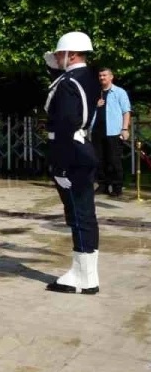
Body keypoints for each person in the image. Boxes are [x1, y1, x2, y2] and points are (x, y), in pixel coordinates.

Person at [43, 31, 102, 294]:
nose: (56, 58)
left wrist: (61, 165)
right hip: (82, 148)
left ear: (73, 54)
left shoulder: (68, 83)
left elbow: (66, 122)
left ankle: (84, 278)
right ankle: (86, 273)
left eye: (60, 54)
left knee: (78, 214)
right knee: (85, 213)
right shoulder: (88, 77)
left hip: (70, 151)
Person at [92, 67, 131, 198]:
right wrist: (95, 105)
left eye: (104, 75)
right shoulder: (96, 93)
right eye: (100, 76)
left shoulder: (119, 92)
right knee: (99, 160)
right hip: (97, 131)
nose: (102, 78)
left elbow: (126, 111)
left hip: (113, 131)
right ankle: (102, 184)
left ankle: (117, 187)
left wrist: (124, 129)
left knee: (114, 161)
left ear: (111, 77)